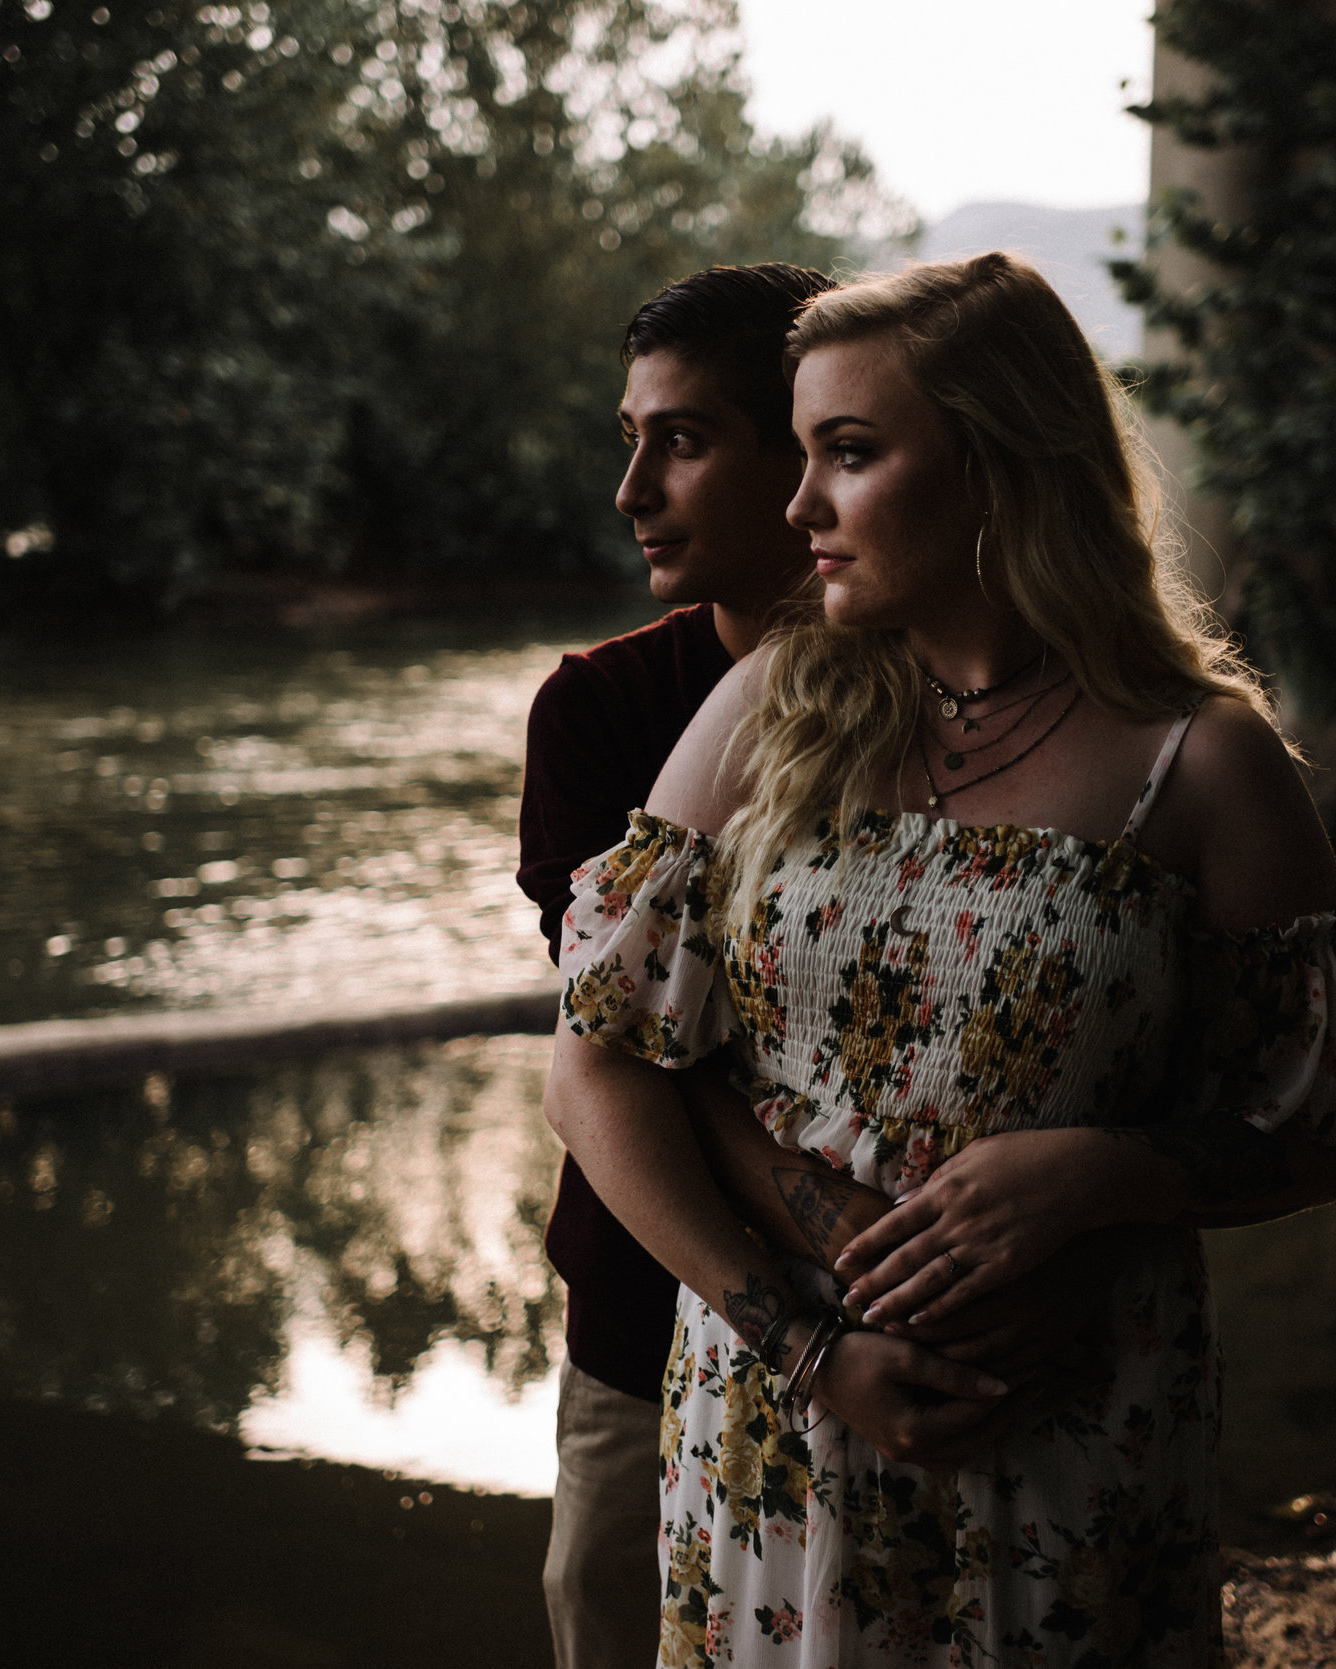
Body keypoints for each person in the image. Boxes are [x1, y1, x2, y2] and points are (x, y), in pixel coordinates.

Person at [545, 253, 1336, 1665]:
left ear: (1003, 466)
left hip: (1071, 1423)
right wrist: (808, 1345)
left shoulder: (1205, 760)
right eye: (802, 452)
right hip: (779, 1425)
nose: (799, 504)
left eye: (851, 455)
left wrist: (1108, 1174)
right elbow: (597, 1067)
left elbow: (1314, 1127)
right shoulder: (768, 709)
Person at [517, 261, 833, 1669]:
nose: (633, 489)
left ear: (807, 457)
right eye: (628, 440)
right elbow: (620, 1051)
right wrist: (814, 1223)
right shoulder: (600, 710)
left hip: (913, 1313)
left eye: (685, 441)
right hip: (645, 1318)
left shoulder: (961, 709)